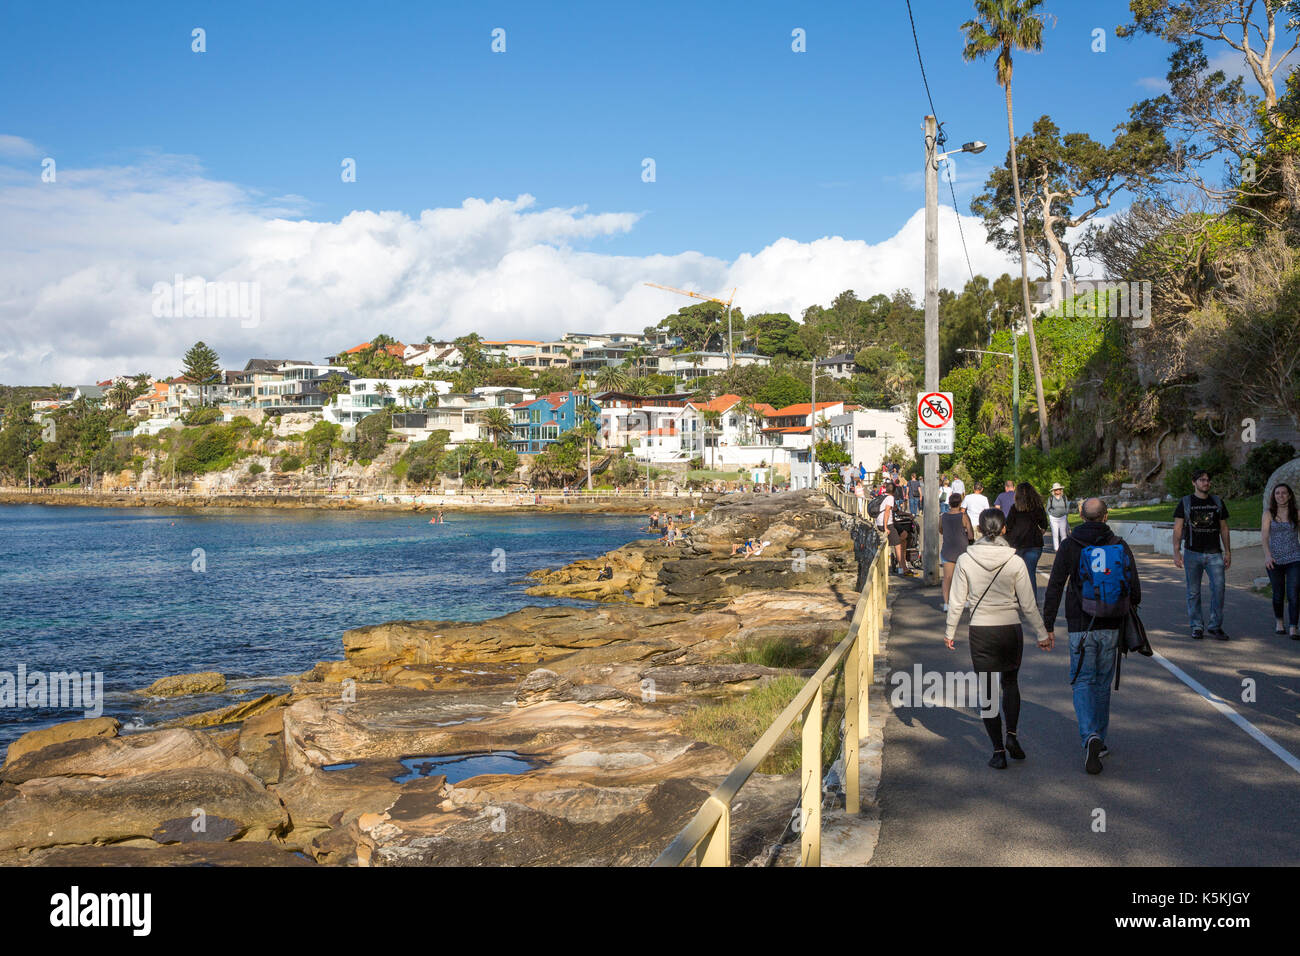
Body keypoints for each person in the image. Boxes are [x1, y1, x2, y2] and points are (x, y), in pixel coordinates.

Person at [945, 509, 1052, 769]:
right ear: (1004, 529)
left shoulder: (965, 560)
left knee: (989, 691)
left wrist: (950, 631)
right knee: (1011, 683)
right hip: (1010, 629)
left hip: (981, 630)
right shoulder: (1014, 562)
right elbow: (1028, 603)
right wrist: (1042, 633)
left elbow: (958, 601)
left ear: (979, 530)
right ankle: (1012, 735)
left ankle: (998, 751)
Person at [1042, 497, 1141, 774]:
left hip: (1080, 624)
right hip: (1112, 623)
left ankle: (1089, 737)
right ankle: (1100, 738)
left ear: (1081, 517)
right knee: (1101, 683)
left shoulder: (1070, 545)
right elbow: (1134, 588)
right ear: (1106, 516)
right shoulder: (1119, 544)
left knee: (1082, 680)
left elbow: (1055, 586)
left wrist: (1047, 624)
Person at [1172, 469, 1232, 640]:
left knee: (1219, 590)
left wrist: (1227, 551)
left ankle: (1215, 626)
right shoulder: (1185, 502)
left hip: (1214, 554)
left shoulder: (1217, 502)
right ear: (1194, 482)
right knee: (1193, 592)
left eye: (1207, 480)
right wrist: (1176, 552)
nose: (1206, 483)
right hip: (1192, 553)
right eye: (1202, 480)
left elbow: (1224, 528)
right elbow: (1177, 529)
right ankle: (1197, 626)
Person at [1262, 482, 1300, 639]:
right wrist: (1267, 555)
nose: (1281, 496)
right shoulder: (1268, 513)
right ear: (1274, 496)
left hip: (1295, 558)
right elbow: (1264, 536)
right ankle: (1279, 622)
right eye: (1277, 493)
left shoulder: (1297, 513)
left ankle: (1293, 627)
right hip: (1274, 560)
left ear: (1289, 495)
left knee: (1294, 593)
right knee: (1278, 594)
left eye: (1284, 493)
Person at [1005, 482, 1049, 603]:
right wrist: (1038, 532)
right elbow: (1044, 525)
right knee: (1030, 573)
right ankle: (1031, 601)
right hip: (1034, 543)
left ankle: (1018, 599)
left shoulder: (1014, 508)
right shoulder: (1038, 507)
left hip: (1017, 544)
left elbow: (1008, 525)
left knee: (1016, 573)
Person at [940, 492, 974, 611]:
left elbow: (941, 530)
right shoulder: (963, 516)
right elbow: (970, 535)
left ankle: (946, 604)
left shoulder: (943, 516)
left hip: (947, 549)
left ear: (949, 503)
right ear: (960, 503)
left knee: (947, 578)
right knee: (965, 576)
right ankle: (964, 600)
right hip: (962, 550)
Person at [875, 483, 904, 575]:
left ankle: (892, 563)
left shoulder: (883, 495)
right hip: (887, 523)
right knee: (898, 545)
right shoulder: (890, 498)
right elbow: (887, 511)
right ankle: (901, 567)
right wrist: (886, 527)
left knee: (887, 543)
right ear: (894, 491)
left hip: (878, 522)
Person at [1046, 483, 1070, 551]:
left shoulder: (1064, 497)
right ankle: (1057, 549)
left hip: (1063, 517)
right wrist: (1050, 515)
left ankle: (1063, 548)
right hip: (1053, 518)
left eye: (1059, 489)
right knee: (1055, 533)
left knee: (1063, 534)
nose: (1058, 491)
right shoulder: (1050, 498)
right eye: (1056, 490)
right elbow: (1047, 509)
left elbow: (1067, 507)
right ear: (1053, 491)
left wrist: (1066, 513)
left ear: (1061, 490)